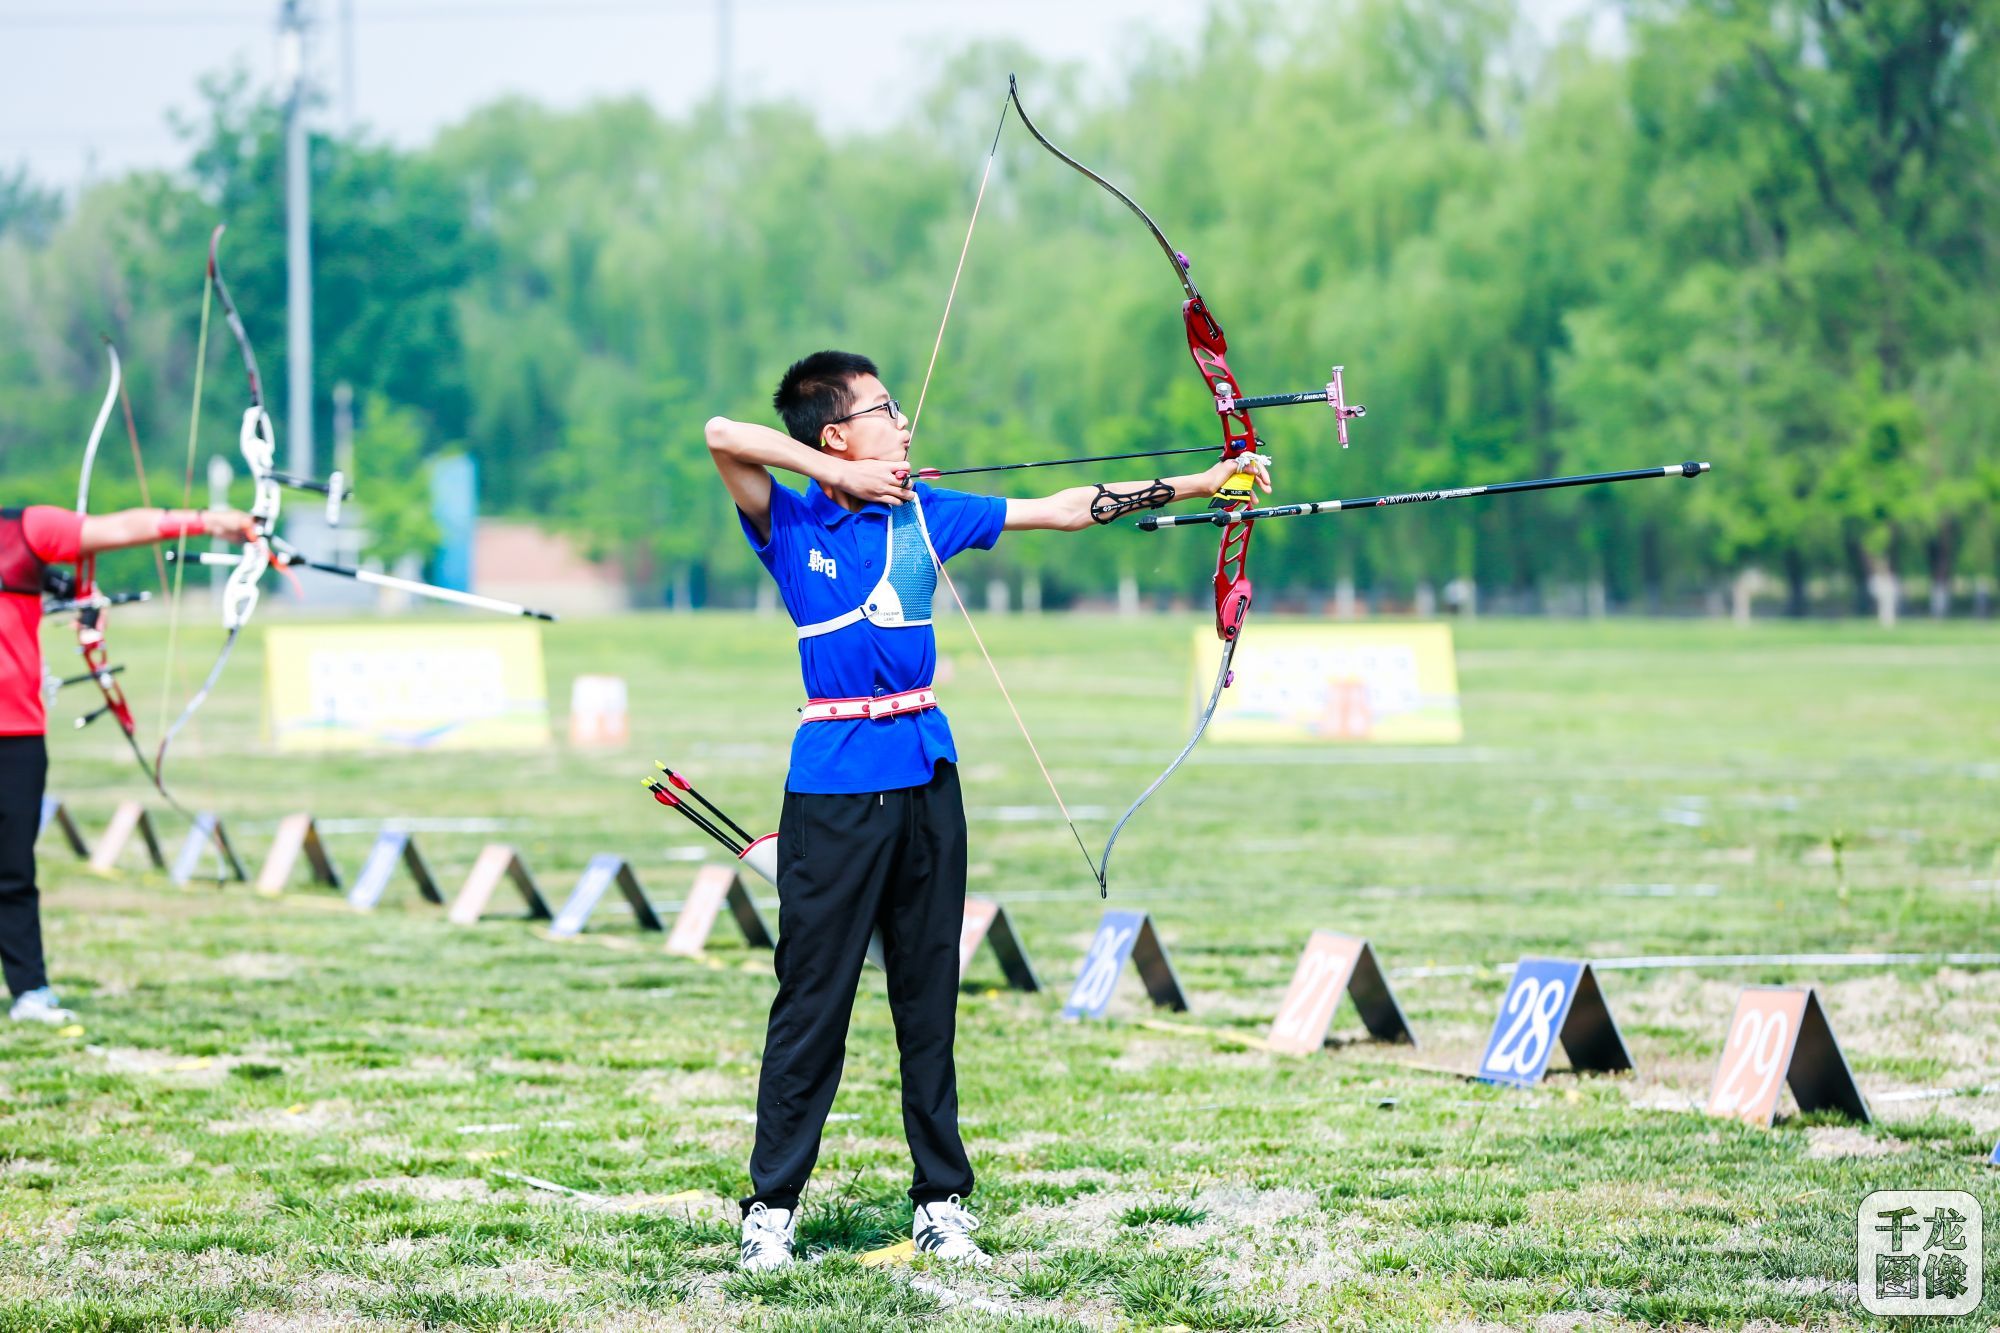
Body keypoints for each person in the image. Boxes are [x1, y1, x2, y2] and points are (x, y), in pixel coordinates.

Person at [704, 350, 1270, 1270]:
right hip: (833, 786)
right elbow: (722, 436)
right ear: (838, 431)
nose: (905, 422)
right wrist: (839, 474)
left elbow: (1064, 506)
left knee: (928, 997)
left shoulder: (929, 511)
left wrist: (1209, 479)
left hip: (927, 777)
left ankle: (940, 1200)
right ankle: (771, 1206)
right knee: (814, 1001)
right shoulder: (791, 515)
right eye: (884, 411)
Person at [2, 502, 256, 1024]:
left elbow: (117, 528)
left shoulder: (22, 530)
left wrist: (207, 521)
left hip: (16, 734)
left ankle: (30, 992)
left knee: (12, 870)